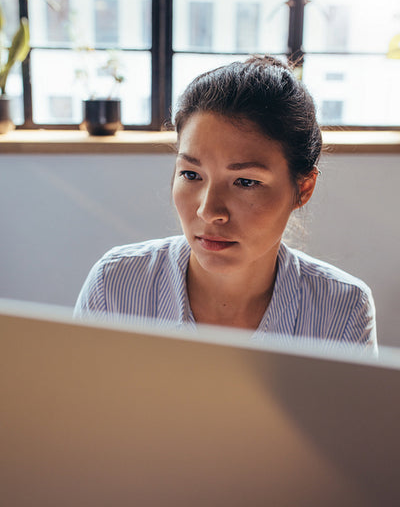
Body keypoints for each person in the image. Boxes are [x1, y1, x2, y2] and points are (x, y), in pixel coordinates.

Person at [74, 55, 377, 351]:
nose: (208, 211)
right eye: (191, 174)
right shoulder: (115, 286)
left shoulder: (343, 310)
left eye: (246, 182)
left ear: (304, 187)